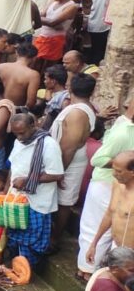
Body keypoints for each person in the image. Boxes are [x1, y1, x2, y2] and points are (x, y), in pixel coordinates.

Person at [80, 100, 134, 277]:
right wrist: (119, 167)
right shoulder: (123, 132)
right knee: (95, 228)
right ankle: (87, 268)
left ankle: (90, 269)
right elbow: (97, 160)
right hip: (104, 184)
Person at [7, 112, 65, 266]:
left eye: (21, 133)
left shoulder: (49, 145)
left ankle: (25, 269)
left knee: (31, 239)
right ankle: (16, 266)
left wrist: (28, 180)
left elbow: (57, 174)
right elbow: (13, 167)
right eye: (15, 133)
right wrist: (6, 190)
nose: (18, 137)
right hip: (16, 198)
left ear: (33, 126)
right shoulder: (19, 142)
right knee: (14, 235)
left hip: (37, 201)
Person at [51, 75, 98, 251]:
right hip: (64, 160)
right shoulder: (78, 108)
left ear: (70, 88)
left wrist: (59, 171)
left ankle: (54, 239)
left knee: (64, 201)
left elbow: (69, 147)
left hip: (68, 162)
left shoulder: (78, 113)